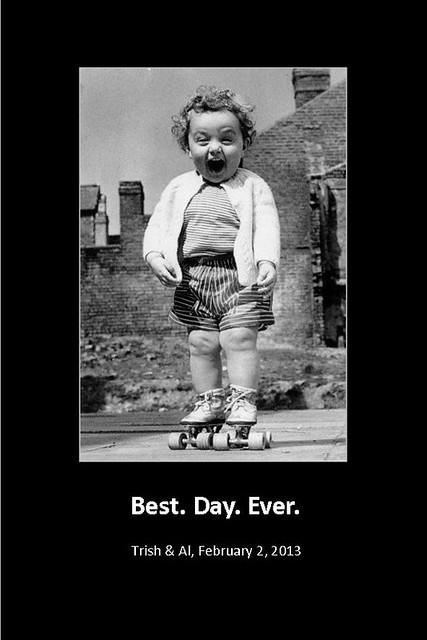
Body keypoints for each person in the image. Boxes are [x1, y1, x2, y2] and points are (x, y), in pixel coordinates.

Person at [143, 85, 280, 435]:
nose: (215, 148)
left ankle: (243, 400)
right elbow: (158, 225)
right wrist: (155, 256)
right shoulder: (178, 188)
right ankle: (210, 401)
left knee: (239, 339)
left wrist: (267, 261)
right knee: (201, 343)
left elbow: (266, 226)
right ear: (188, 147)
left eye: (227, 139)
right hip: (194, 280)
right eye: (202, 140)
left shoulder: (253, 186)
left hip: (240, 277)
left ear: (244, 144)